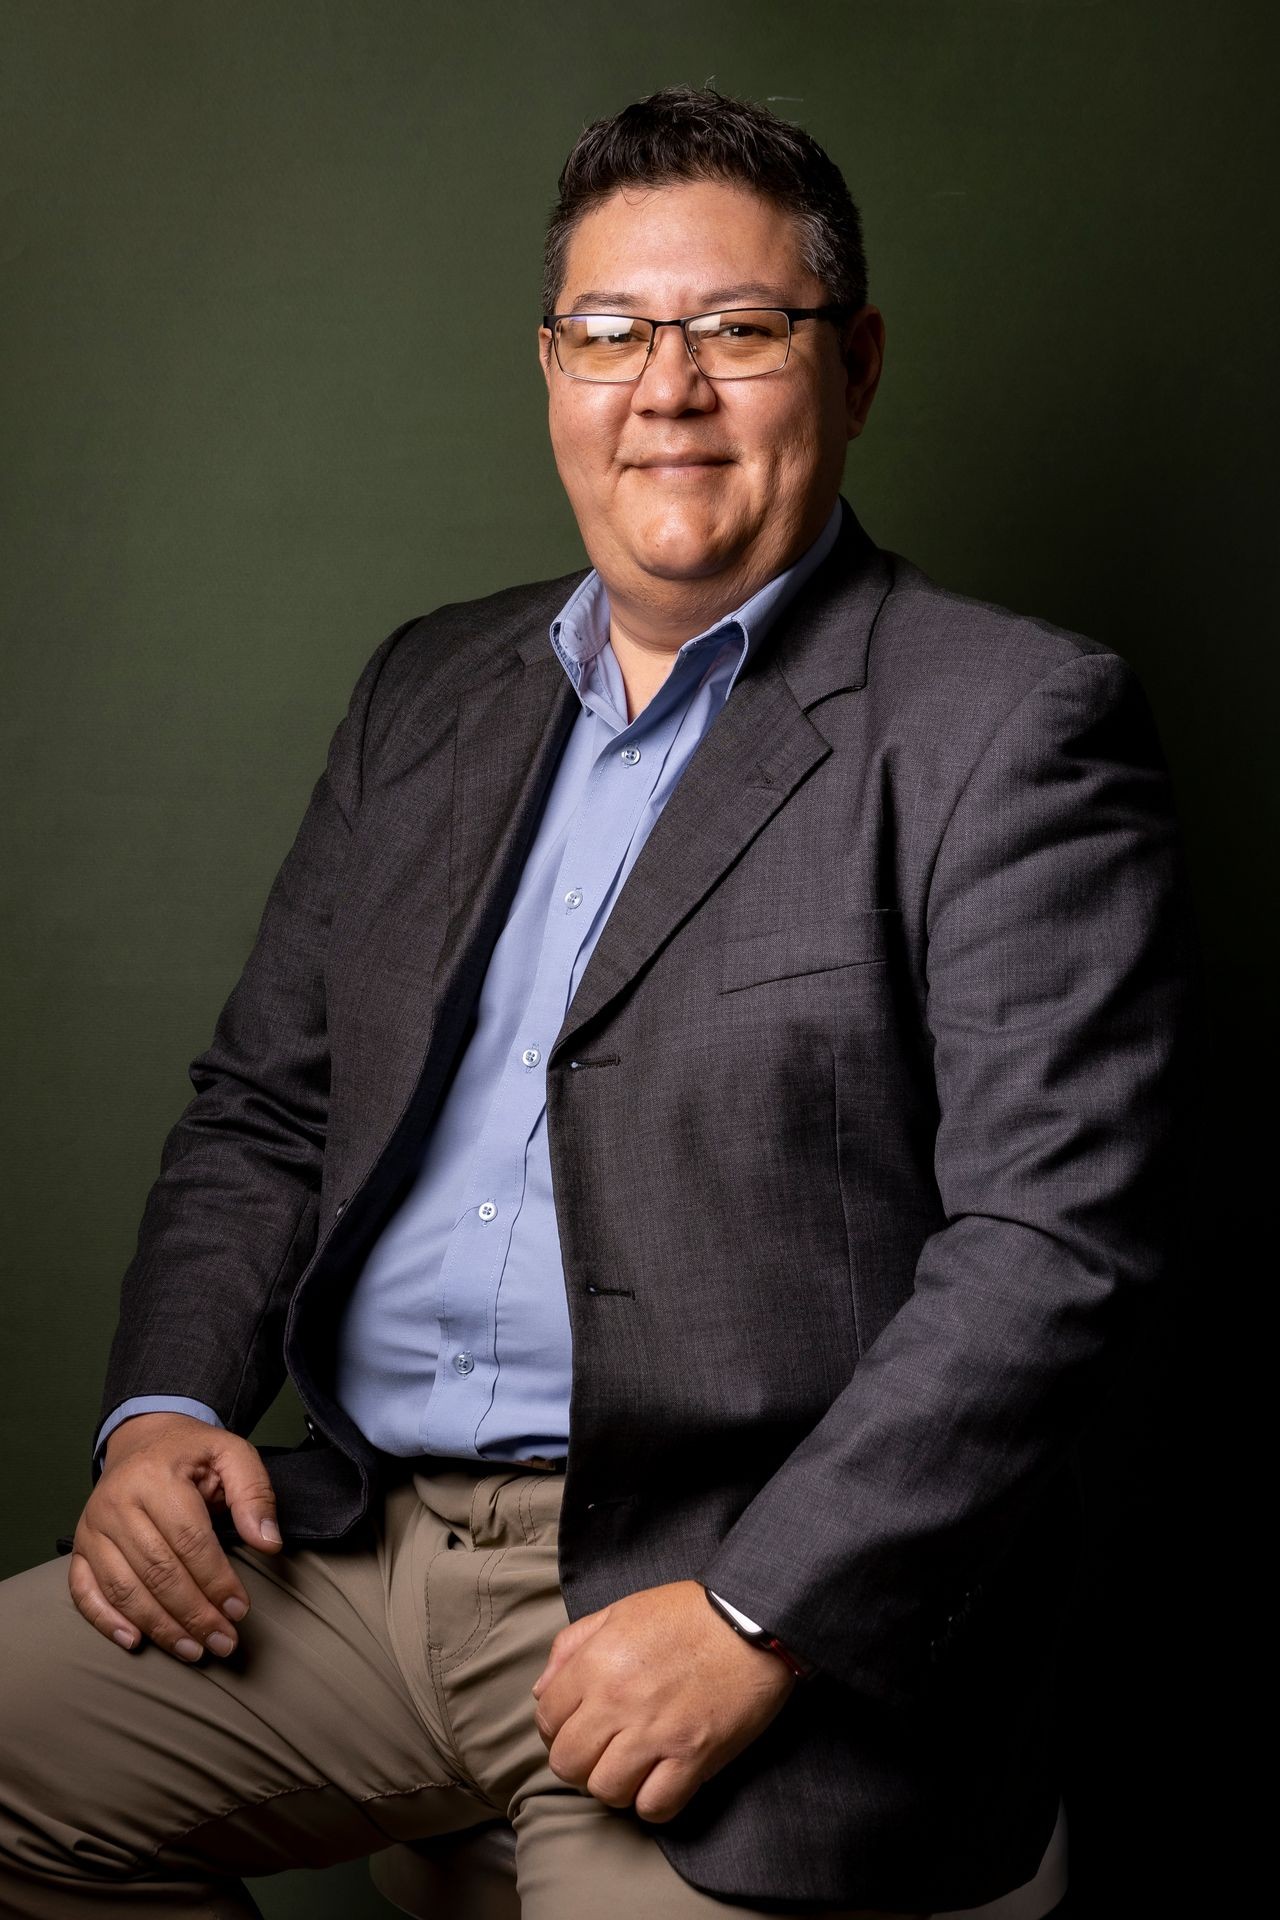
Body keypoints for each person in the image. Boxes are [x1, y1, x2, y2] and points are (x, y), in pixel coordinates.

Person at [0, 84, 1196, 1920]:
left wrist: (756, 1611)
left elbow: (1053, 1247)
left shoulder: (1005, 724)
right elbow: (266, 1103)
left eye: (739, 330)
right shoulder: (431, 689)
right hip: (352, 1551)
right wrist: (162, 1408)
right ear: (552, 366)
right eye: (614, 333)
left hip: (729, 1604)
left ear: (856, 364)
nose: (670, 389)